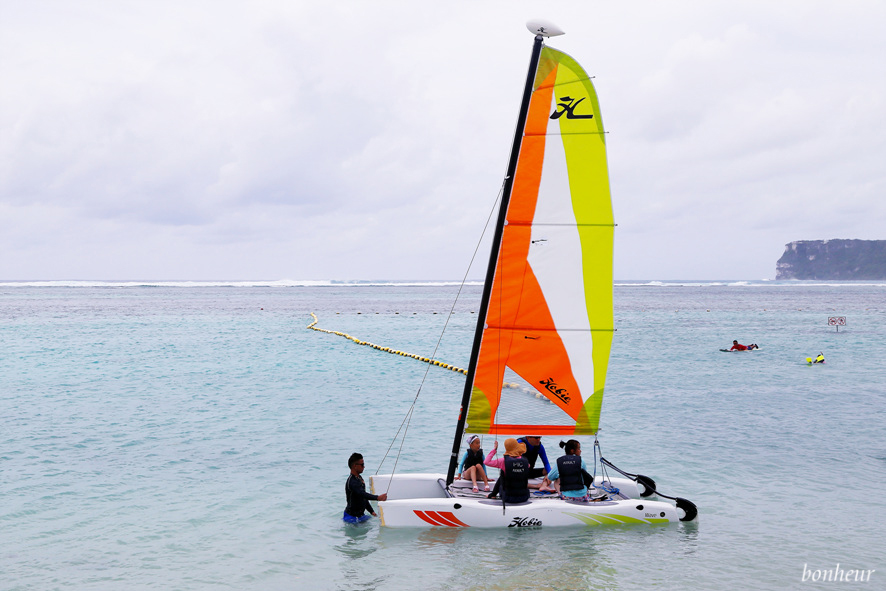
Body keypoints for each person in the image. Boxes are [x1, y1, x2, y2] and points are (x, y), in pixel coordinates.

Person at [343, 452, 387, 523]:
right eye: (362, 465)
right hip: (351, 518)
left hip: (360, 516)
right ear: (355, 466)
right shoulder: (352, 482)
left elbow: (363, 498)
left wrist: (371, 511)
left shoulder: (359, 478)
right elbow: (362, 494)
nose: (364, 467)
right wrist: (378, 498)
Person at [487, 438, 530, 504]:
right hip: (524, 497)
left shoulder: (503, 461)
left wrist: (494, 450)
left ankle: (493, 494)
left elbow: (486, 462)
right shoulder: (525, 462)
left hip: (507, 497)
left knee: (503, 473)